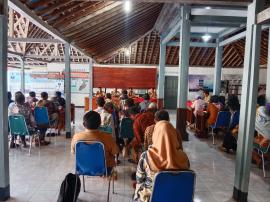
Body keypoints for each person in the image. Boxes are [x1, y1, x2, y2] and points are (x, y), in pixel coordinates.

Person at [134, 121, 190, 202]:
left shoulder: (146, 156)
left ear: (155, 135)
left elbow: (139, 180)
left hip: (152, 199)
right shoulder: (184, 157)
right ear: (174, 136)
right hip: (178, 198)